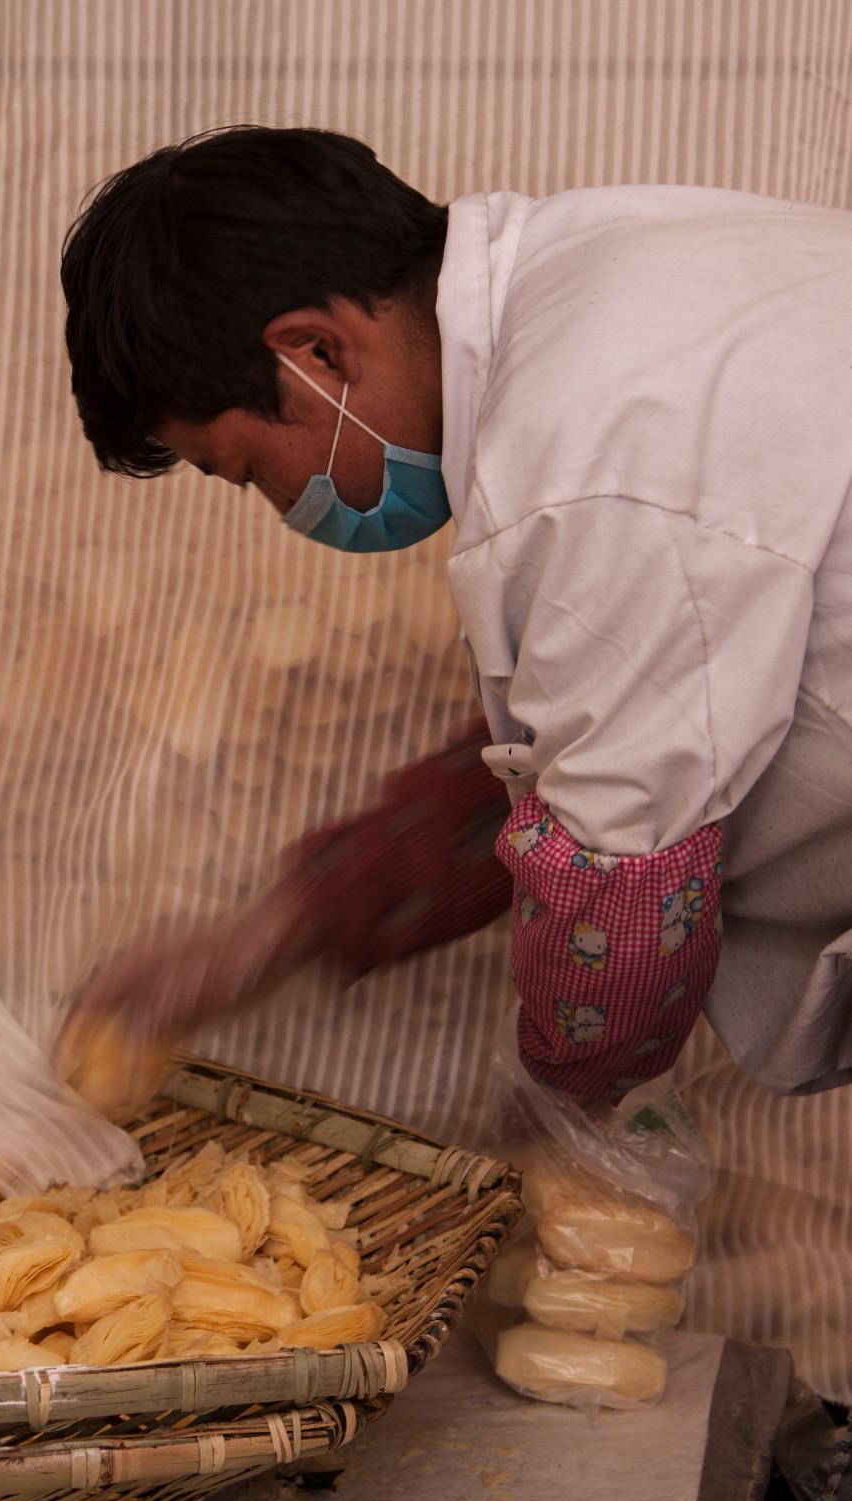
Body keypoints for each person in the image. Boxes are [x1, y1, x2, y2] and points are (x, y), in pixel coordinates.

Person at [58, 124, 852, 1115]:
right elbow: (588, 744)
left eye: (251, 471)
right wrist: (283, 928)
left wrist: (563, 1117)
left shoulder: (581, 453)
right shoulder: (610, 274)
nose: (284, 508)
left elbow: (618, 879)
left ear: (315, 351)